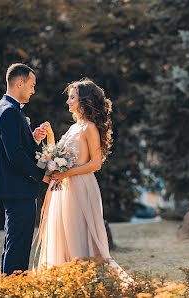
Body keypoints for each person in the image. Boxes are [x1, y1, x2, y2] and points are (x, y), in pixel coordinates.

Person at [36, 78, 131, 282]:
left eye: (72, 98)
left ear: (84, 101)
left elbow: (95, 164)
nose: (68, 102)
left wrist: (65, 174)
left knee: (81, 233)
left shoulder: (89, 128)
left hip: (82, 187)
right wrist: (50, 137)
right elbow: (57, 155)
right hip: (65, 189)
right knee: (66, 234)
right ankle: (69, 280)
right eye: (69, 98)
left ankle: (93, 280)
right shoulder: (73, 128)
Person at [0, 63, 49, 276]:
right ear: (19, 83)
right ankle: (14, 289)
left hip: (15, 186)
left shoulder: (6, 109)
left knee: (16, 241)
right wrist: (43, 176)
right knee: (18, 244)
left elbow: (15, 148)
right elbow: (15, 156)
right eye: (31, 85)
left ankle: (11, 287)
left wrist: (33, 139)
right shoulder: (9, 112)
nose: (33, 90)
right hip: (17, 187)